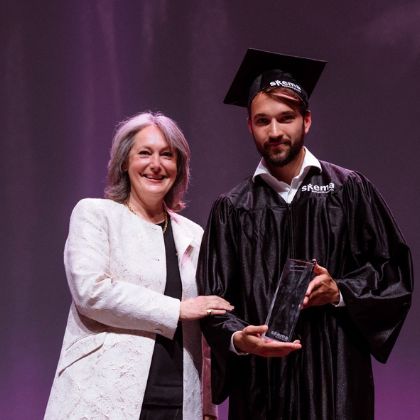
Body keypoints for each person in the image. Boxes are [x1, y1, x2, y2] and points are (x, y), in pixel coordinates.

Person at [197, 49, 413, 419]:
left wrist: (341, 292)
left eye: (287, 118)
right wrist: (238, 338)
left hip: (336, 377)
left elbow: (392, 274)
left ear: (306, 121)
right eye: (263, 121)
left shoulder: (349, 190)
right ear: (249, 126)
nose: (275, 131)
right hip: (262, 384)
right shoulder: (231, 209)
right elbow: (213, 300)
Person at [44, 111, 233, 420]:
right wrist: (177, 309)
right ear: (124, 162)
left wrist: (208, 406)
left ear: (179, 167)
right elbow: (91, 293)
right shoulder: (95, 214)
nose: (156, 164)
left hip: (178, 401)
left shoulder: (194, 234)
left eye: (167, 155)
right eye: (144, 153)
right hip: (103, 396)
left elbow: (203, 332)